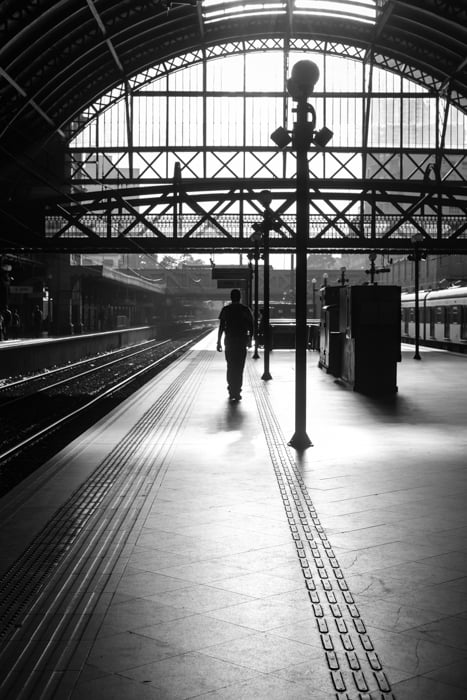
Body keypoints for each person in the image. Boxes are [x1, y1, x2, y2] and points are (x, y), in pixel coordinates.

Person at [217, 288, 254, 402]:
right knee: (239, 367)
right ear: (240, 297)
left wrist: (218, 341)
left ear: (231, 297)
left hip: (229, 341)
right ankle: (237, 390)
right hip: (241, 342)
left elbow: (221, 326)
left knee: (231, 366)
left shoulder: (226, 309)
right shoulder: (245, 310)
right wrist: (249, 339)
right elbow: (251, 326)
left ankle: (231, 389)